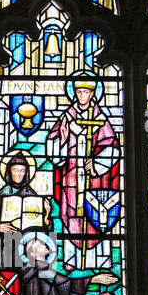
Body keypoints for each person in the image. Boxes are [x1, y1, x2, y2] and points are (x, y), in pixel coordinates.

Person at [46, 70, 119, 245]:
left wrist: (95, 166)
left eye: (86, 92)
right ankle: (71, 261)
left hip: (95, 181)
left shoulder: (100, 119)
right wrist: (62, 142)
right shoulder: (67, 117)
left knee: (95, 217)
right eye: (79, 92)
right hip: (70, 177)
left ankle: (99, 261)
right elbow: (52, 149)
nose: (82, 95)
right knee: (70, 213)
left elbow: (113, 149)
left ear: (93, 93)